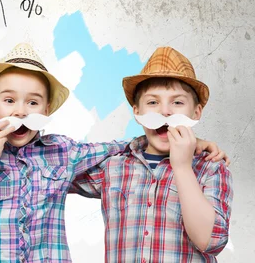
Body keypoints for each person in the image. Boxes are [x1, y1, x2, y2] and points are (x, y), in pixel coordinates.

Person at [0, 45, 231, 263]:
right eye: (9, 100)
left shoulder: (209, 167)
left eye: (32, 102)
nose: (21, 111)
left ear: (46, 111)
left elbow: (211, 241)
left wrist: (188, 151)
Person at [69, 46, 232, 262]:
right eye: (153, 102)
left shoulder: (212, 167)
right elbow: (53, 170)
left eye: (177, 102)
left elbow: (211, 242)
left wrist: (183, 167)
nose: (165, 111)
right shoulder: (113, 167)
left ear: (196, 112)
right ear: (137, 112)